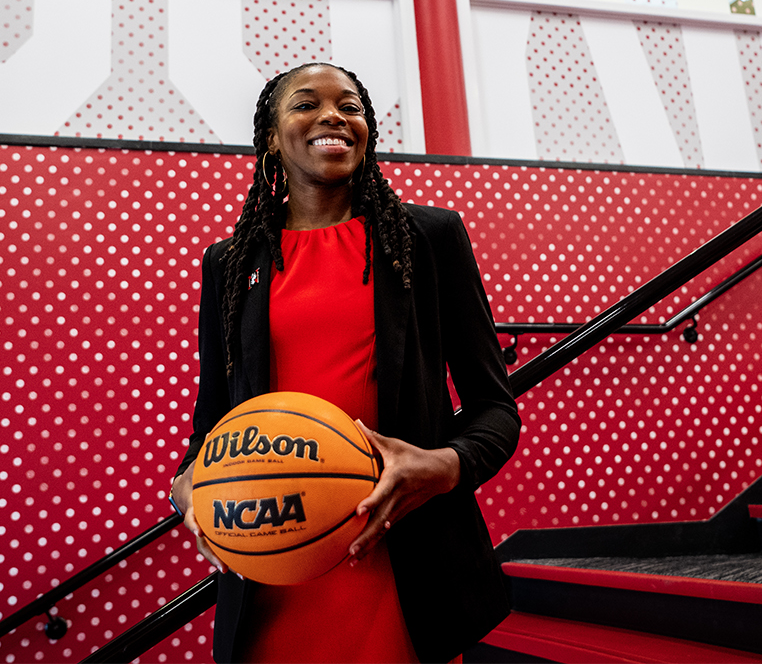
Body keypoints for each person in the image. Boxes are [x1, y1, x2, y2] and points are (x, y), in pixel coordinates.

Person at [171, 63, 521, 663]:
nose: (333, 116)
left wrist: (444, 465)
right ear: (272, 136)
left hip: (401, 566)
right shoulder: (229, 262)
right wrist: (188, 488)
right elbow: (210, 425)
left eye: (350, 106)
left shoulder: (427, 238)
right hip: (271, 567)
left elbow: (495, 409)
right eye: (306, 104)